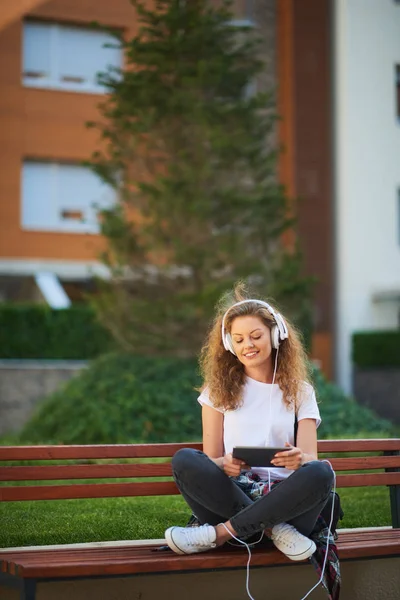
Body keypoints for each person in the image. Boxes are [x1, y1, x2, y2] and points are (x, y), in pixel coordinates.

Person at [164, 284, 334, 562]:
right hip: (233, 498)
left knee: (321, 472)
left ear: (277, 335)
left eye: (256, 336)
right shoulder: (217, 391)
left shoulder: (301, 391)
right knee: (185, 459)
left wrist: (298, 459)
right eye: (239, 339)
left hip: (288, 504)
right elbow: (210, 461)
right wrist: (224, 464)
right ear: (229, 344)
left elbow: (311, 459)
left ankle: (219, 535)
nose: (248, 346)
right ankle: (274, 531)